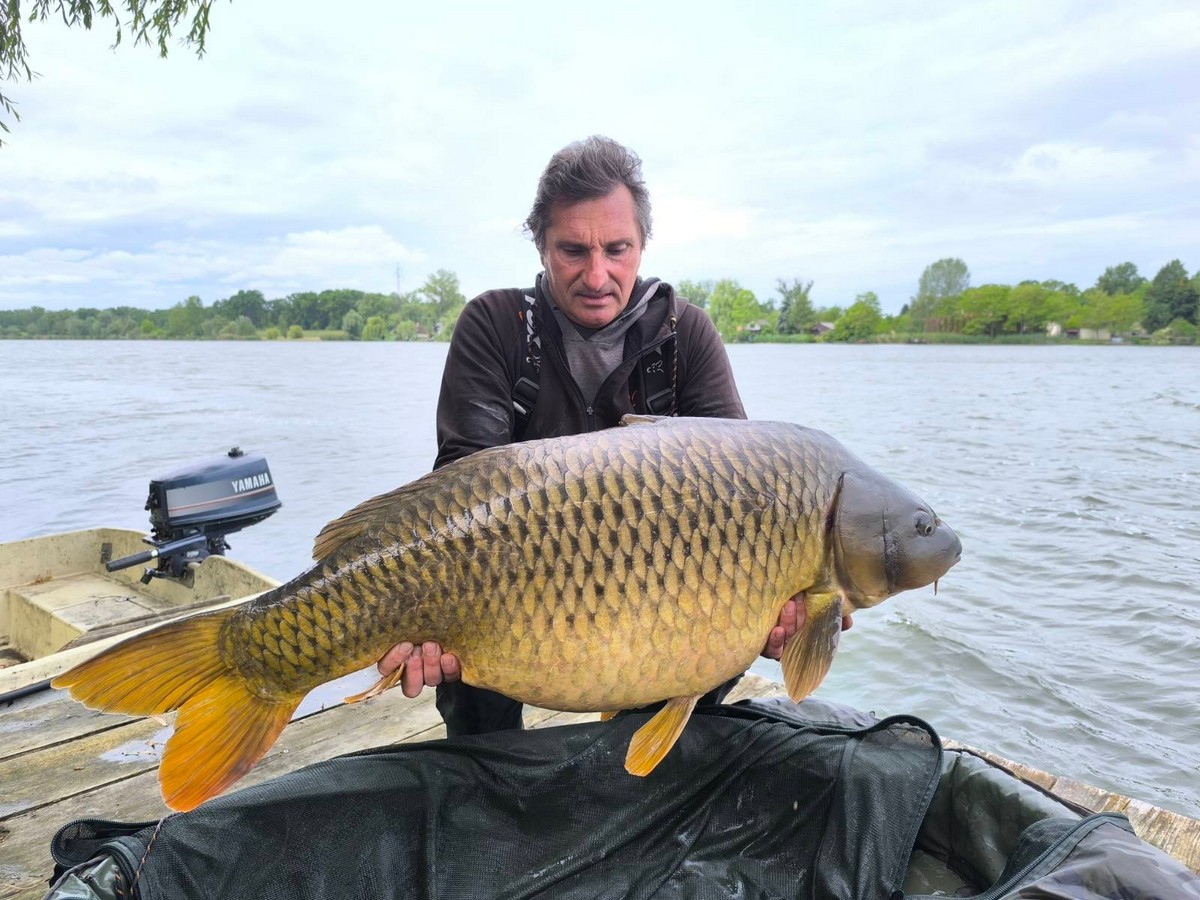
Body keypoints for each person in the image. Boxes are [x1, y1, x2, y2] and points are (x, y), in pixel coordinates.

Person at [377, 135, 847, 736]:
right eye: (573, 250)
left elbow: (743, 496)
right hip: (507, 586)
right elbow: (458, 491)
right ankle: (487, 766)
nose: (597, 275)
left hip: (653, 595)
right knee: (468, 666)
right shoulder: (495, 325)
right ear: (541, 246)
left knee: (716, 642)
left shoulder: (686, 336)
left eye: (617, 249)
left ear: (642, 244)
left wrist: (774, 612)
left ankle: (643, 761)